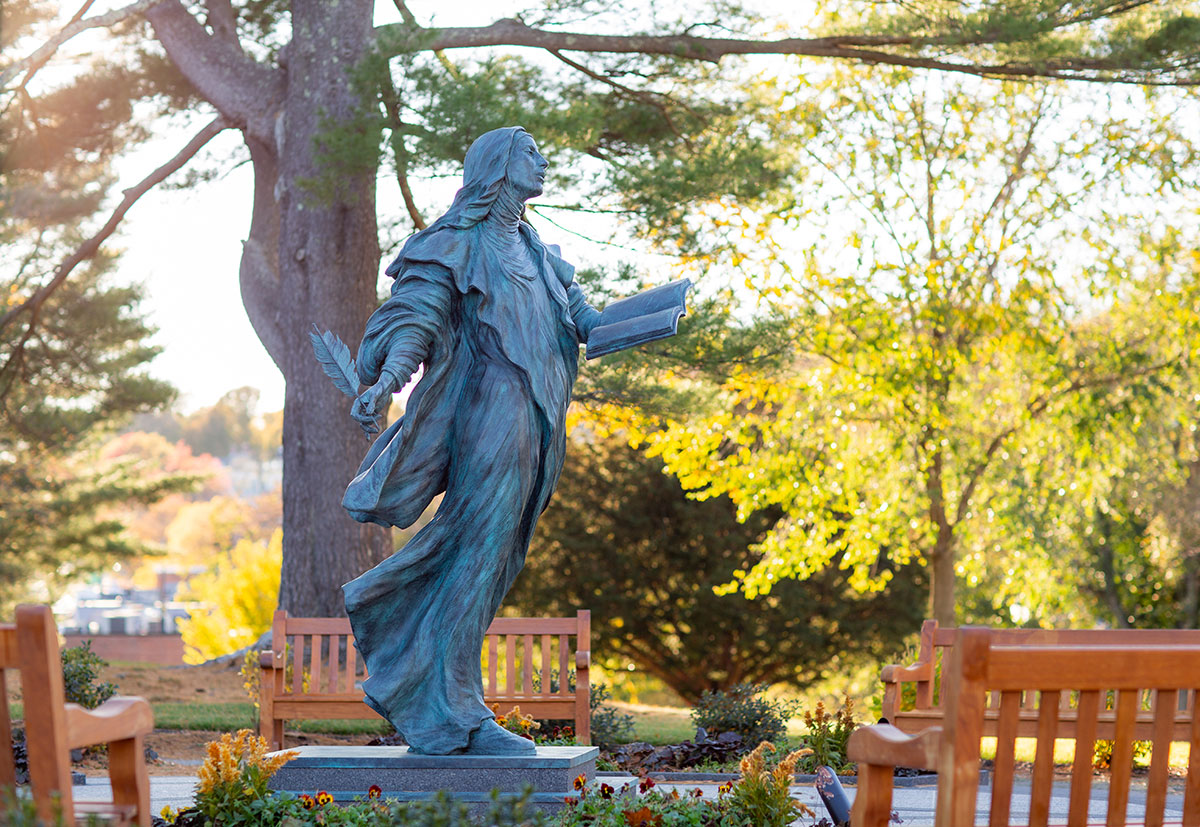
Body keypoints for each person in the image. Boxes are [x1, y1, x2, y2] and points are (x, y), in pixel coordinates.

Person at [340, 127, 601, 755]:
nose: (544, 160)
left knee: (495, 554)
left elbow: (582, 320)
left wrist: (638, 318)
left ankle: (422, 686)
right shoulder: (455, 242)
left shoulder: (537, 249)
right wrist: (388, 384)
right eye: (531, 152)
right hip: (492, 416)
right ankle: (456, 714)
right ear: (497, 167)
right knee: (476, 550)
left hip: (539, 419)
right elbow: (417, 320)